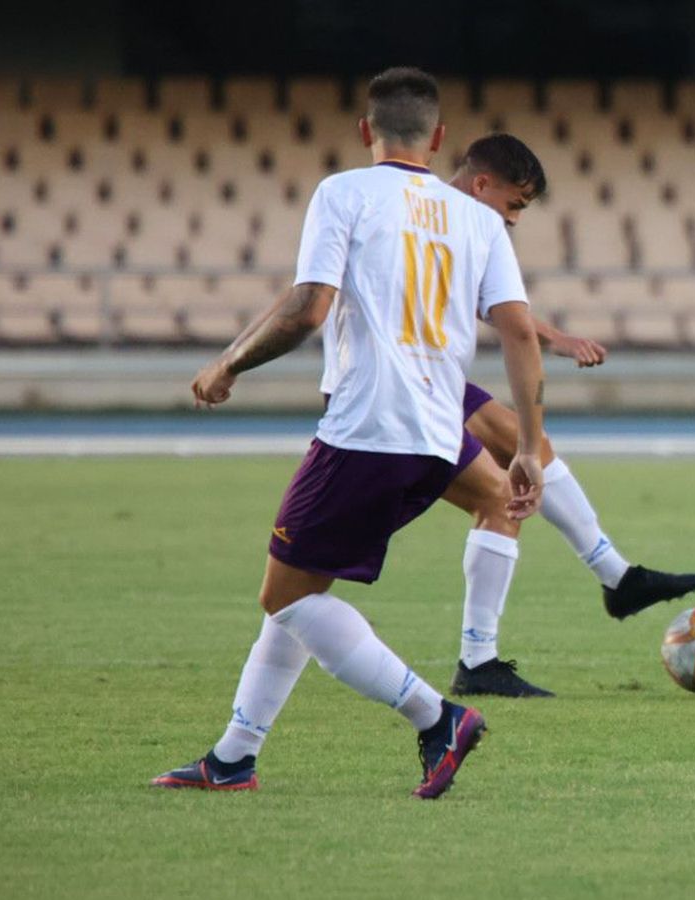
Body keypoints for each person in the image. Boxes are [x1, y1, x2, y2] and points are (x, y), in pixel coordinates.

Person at [151, 67, 547, 798]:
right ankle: (235, 756)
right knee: (300, 584)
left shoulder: (344, 193)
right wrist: (525, 444)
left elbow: (308, 308)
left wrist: (231, 362)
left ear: (366, 130)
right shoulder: (480, 220)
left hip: (367, 425)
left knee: (289, 597)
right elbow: (520, 333)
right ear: (440, 138)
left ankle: (436, 717)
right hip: (436, 439)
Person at [416, 133, 695, 697]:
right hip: (402, 392)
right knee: (504, 496)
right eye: (514, 204)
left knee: (524, 440)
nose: (515, 219)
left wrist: (554, 337)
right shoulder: (448, 217)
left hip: (436, 381)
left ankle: (618, 577)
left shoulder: (447, 216)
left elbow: (497, 308)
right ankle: (478, 661)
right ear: (482, 184)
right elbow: (511, 325)